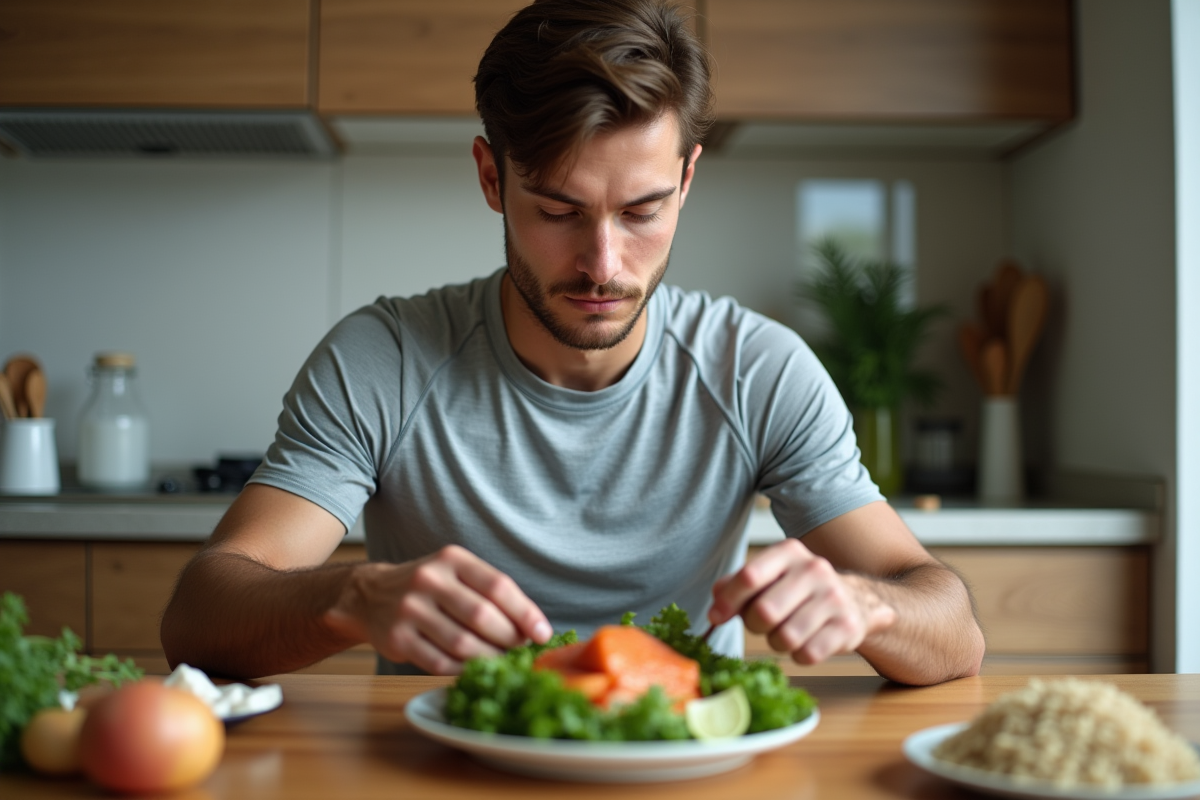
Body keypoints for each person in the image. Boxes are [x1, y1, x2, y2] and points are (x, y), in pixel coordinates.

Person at [161, 0, 984, 686]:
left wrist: (870, 607)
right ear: (492, 178)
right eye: (559, 211)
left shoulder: (756, 370)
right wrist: (351, 598)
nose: (603, 264)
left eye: (642, 211)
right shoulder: (384, 360)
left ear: (687, 181)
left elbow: (955, 634)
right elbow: (198, 618)